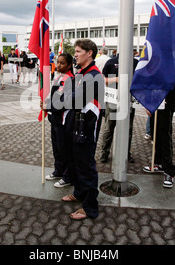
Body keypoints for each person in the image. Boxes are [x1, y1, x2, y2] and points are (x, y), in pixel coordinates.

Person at [61, 38, 104, 220]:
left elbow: (74, 99)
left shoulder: (94, 75)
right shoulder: (82, 73)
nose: (75, 55)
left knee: (86, 168)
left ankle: (90, 208)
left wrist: (58, 99)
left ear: (89, 53)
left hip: (85, 129)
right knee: (75, 163)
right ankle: (79, 193)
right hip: (76, 127)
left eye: (78, 51)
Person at [99, 52, 138, 164]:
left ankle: (126, 153)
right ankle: (104, 153)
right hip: (112, 100)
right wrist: (115, 79)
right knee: (108, 128)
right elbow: (103, 80)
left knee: (128, 129)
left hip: (128, 101)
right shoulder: (111, 62)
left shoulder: (135, 63)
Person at [43, 53, 75, 188]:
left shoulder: (71, 80)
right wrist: (46, 103)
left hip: (64, 121)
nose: (58, 65)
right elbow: (54, 96)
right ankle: (59, 170)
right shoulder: (58, 77)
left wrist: (49, 106)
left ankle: (68, 176)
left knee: (65, 149)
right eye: (58, 62)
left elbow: (65, 102)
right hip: (54, 119)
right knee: (56, 148)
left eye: (62, 63)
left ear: (69, 65)